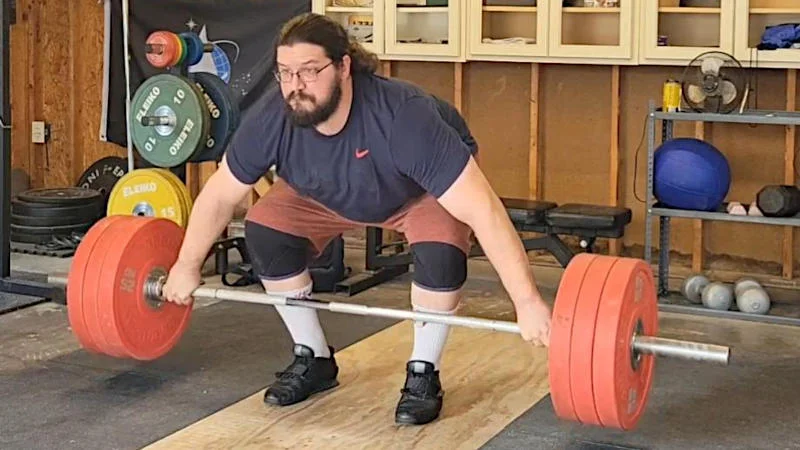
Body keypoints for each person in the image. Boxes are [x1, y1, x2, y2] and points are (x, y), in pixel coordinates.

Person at [161, 12, 552, 426]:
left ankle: (423, 372)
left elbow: (483, 210)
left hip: (414, 190)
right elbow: (220, 195)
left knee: (441, 254)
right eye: (285, 73)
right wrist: (185, 265)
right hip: (322, 189)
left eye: (310, 72)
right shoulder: (274, 116)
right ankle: (314, 357)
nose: (296, 87)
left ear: (344, 66)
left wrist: (526, 302)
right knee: (265, 231)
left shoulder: (403, 117)